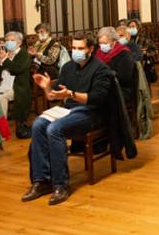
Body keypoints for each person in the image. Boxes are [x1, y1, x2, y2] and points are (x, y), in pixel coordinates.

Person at [23, 32, 112, 205]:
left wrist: (71, 94)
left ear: (90, 49)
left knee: (54, 129)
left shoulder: (101, 69)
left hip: (91, 112)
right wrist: (47, 87)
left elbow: (97, 99)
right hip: (69, 109)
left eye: (80, 48)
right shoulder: (68, 67)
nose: (76, 51)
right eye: (73, 48)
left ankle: (61, 184)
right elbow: (53, 96)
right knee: (38, 125)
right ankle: (41, 180)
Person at [0, 31, 33, 139]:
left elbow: (17, 69)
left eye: (12, 40)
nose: (9, 43)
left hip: (18, 87)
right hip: (3, 85)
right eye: (7, 41)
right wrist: (0, 61)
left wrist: (5, 60)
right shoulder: (4, 54)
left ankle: (2, 131)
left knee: (2, 97)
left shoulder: (24, 55)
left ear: (19, 43)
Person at [96, 26, 137, 105]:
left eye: (105, 43)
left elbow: (124, 78)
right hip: (103, 86)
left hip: (120, 88)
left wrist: (104, 74)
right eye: (100, 43)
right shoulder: (98, 53)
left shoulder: (124, 54)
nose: (102, 46)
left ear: (114, 41)